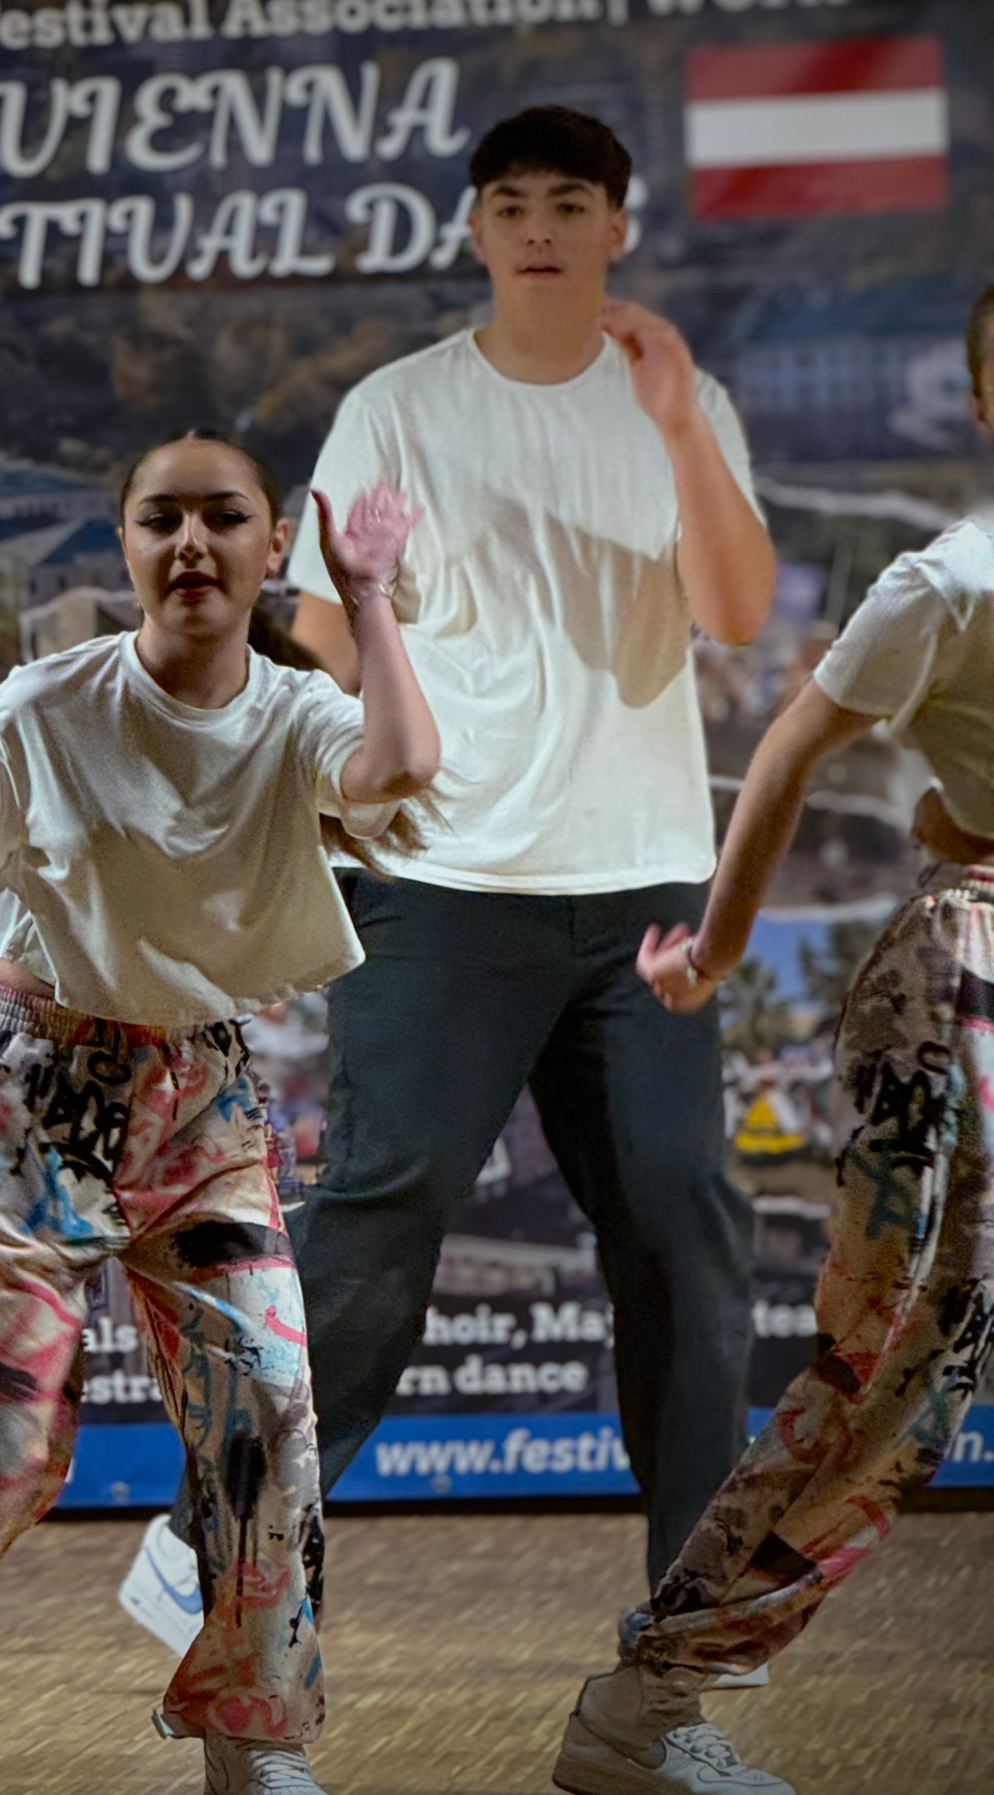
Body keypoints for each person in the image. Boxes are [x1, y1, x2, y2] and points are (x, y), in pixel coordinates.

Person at [123, 106, 777, 1654]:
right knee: (382, 1205)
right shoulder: (399, 407)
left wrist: (680, 426)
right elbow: (325, 639)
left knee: (685, 1235)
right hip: (445, 879)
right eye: (511, 203)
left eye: (570, 202)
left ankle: (691, 1615)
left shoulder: (686, 404)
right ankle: (216, 1533)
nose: (540, 226)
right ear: (477, 230)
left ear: (619, 226)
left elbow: (741, 615)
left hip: (647, 892)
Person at [0, 429, 441, 1795]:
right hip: (30, 1097)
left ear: (272, 545)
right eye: (162, 518)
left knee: (268, 1424)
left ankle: (252, 1733)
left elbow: (400, 768)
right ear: (125, 545)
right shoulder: (48, 703)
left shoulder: (297, 713)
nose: (193, 543)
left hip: (202, 1106)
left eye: (225, 517)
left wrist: (371, 598)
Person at [552, 283, 994, 1795]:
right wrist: (721, 948)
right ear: (983, 401)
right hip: (965, 988)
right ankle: (653, 1694)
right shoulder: (949, 580)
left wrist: (955, 808)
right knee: (895, 1370)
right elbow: (791, 750)